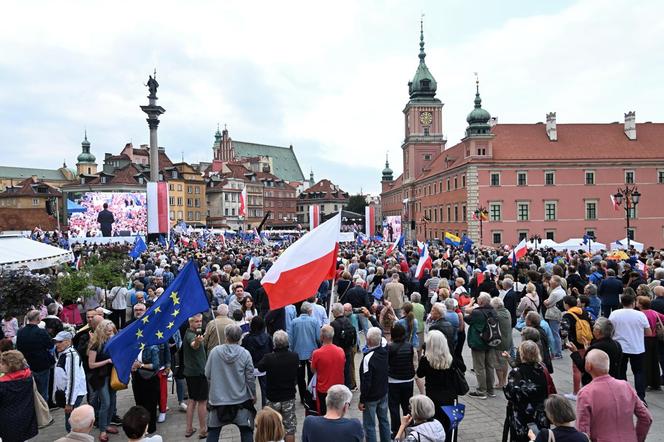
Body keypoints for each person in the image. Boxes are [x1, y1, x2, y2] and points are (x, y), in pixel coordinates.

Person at [576, 349, 652, 442]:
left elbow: (582, 430)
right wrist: (637, 438)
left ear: (588, 366)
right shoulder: (625, 386)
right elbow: (646, 418)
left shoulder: (586, 393)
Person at [205, 324, 256, 442]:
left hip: (218, 401)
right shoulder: (245, 354)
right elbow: (250, 378)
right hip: (241, 400)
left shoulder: (214, 352)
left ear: (226, 336)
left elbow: (207, 374)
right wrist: (253, 394)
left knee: (213, 432)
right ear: (239, 337)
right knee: (246, 431)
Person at [416, 330, 459, 442]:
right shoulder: (450, 358)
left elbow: (420, 374)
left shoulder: (426, 360)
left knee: (436, 424)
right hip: (450, 396)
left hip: (433, 396)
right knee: (450, 423)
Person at [256, 330, 299, 442]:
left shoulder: (269, 357)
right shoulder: (294, 356)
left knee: (272, 426)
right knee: (289, 428)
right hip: (288, 396)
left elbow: (260, 367)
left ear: (274, 343)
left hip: (273, 397)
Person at [503, 340, 550, 442]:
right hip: (540, 413)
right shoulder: (541, 368)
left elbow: (510, 394)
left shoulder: (516, 372)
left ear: (522, 354)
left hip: (522, 414)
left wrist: (504, 387)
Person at [609, 293, 650, 402]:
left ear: (622, 302)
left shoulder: (614, 314)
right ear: (633, 303)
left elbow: (610, 330)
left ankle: (624, 395)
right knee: (639, 372)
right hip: (637, 347)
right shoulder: (640, 315)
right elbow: (648, 332)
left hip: (620, 347)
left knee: (621, 371)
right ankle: (641, 397)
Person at [566, 317, 622, 387]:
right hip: (612, 381)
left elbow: (583, 367)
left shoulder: (596, 347)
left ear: (598, 331)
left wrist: (575, 352)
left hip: (596, 383)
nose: (593, 329)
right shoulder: (617, 344)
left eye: (594, 327)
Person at [87, 319, 118, 442]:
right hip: (100, 377)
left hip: (112, 375)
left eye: (112, 331)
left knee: (112, 400)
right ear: (102, 331)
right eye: (108, 331)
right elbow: (91, 365)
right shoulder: (95, 344)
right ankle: (102, 430)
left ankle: (107, 424)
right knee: (106, 402)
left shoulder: (113, 341)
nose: (110, 333)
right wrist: (107, 361)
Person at [359, 326, 391, 442]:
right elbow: (382, 337)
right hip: (383, 392)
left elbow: (366, 382)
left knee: (369, 425)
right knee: (384, 421)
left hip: (371, 397)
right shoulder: (384, 349)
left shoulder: (368, 358)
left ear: (368, 341)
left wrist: (362, 399)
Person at [15, 309, 53, 403]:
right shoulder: (41, 332)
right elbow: (50, 345)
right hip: (41, 365)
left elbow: (19, 347)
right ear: (38, 318)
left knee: (32, 392)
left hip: (27, 365)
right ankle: (44, 413)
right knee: (43, 391)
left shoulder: (20, 332)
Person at [560, 295, 594, 399]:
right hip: (588, 342)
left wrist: (564, 341)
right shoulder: (585, 312)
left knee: (577, 368)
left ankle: (576, 392)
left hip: (576, 343)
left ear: (566, 304)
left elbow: (563, 332)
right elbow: (592, 324)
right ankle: (588, 388)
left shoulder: (568, 315)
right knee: (587, 366)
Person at [0, 350, 38, 442]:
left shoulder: (3, 384)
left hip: (7, 421)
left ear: (10, 365)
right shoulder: (28, 377)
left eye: (2, 363)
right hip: (26, 416)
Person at [464, 293, 497, 399]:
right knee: (489, 366)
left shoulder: (477, 312)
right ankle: (490, 390)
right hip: (491, 341)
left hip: (478, 342)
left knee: (480, 367)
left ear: (481, 302)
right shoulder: (493, 311)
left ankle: (481, 391)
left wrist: (470, 304)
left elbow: (466, 316)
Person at [53, 331, 87, 432]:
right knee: (71, 425)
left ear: (68, 342)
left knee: (71, 426)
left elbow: (73, 380)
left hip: (73, 396)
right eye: (56, 342)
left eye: (60, 342)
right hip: (69, 395)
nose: (57, 344)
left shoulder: (71, 356)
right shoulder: (63, 354)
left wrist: (69, 402)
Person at [287, 302, 320, 404]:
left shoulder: (294, 322)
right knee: (311, 375)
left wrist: (291, 351)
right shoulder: (314, 321)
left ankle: (303, 397)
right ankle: (310, 395)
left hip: (298, 353)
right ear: (309, 311)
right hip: (312, 353)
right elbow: (318, 338)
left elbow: (290, 339)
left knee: (300, 377)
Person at [387, 324, 415, 438]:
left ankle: (395, 431)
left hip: (393, 380)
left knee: (394, 407)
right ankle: (409, 428)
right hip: (408, 379)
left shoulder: (390, 347)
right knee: (407, 406)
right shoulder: (409, 345)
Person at [183, 314, 208, 439]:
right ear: (190, 323)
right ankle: (203, 430)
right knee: (202, 401)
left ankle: (189, 428)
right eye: (196, 322)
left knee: (192, 400)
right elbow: (194, 344)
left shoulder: (193, 333)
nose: (199, 323)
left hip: (190, 372)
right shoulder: (191, 335)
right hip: (198, 373)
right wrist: (198, 342)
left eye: (200, 321)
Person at [311, 325, 346, 415]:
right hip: (338, 387)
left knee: (324, 414)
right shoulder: (341, 351)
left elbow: (313, 370)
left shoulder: (317, 353)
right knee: (338, 413)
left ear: (322, 337)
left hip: (324, 388)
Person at [241, 316, 273, 407]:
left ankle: (250, 409)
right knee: (265, 390)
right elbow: (271, 350)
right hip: (264, 367)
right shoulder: (267, 337)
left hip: (251, 367)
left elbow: (243, 351)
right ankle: (266, 410)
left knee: (249, 390)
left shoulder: (247, 338)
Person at [129, 343, 160, 435]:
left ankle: (150, 428)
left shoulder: (152, 347)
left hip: (150, 379)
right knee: (139, 403)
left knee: (150, 404)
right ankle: (141, 426)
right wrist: (132, 366)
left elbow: (155, 365)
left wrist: (140, 365)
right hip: (137, 378)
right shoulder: (133, 346)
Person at [635, 295, 664, 391]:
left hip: (644, 339)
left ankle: (646, 382)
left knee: (645, 361)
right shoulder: (654, 313)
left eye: (637, 301)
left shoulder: (640, 314)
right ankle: (656, 383)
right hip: (654, 338)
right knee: (654, 360)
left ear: (641, 304)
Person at [330, 302, 357, 389]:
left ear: (335, 312)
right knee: (347, 370)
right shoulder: (348, 321)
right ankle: (347, 387)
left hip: (338, 351)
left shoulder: (334, 324)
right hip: (348, 349)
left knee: (338, 371)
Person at [491, 297, 513, 389]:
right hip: (508, 340)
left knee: (498, 363)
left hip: (499, 342)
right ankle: (504, 381)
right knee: (504, 362)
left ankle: (501, 383)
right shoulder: (507, 312)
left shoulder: (497, 315)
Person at [543, 275, 565, 359]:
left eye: (551, 281)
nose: (550, 282)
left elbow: (547, 303)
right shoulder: (561, 290)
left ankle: (557, 352)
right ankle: (557, 351)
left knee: (554, 334)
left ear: (555, 282)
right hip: (559, 313)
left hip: (553, 314)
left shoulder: (555, 293)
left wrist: (546, 302)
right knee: (556, 333)